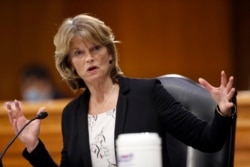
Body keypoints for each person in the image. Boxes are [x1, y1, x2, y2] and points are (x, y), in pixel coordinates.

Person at [5, 14, 236, 167]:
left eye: (95, 48)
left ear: (109, 53)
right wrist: (33, 145)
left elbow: (208, 140)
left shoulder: (147, 94)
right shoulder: (72, 114)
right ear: (70, 65)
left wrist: (223, 112)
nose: (89, 58)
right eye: (78, 53)